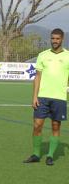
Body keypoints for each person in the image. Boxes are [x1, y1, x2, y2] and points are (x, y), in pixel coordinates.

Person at [23, 28, 69, 165]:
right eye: (52, 38)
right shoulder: (42, 55)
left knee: (55, 126)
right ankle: (36, 154)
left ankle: (50, 155)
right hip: (42, 97)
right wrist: (34, 97)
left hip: (59, 98)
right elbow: (37, 77)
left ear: (62, 39)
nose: (54, 41)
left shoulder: (68, 56)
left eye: (57, 39)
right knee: (37, 125)